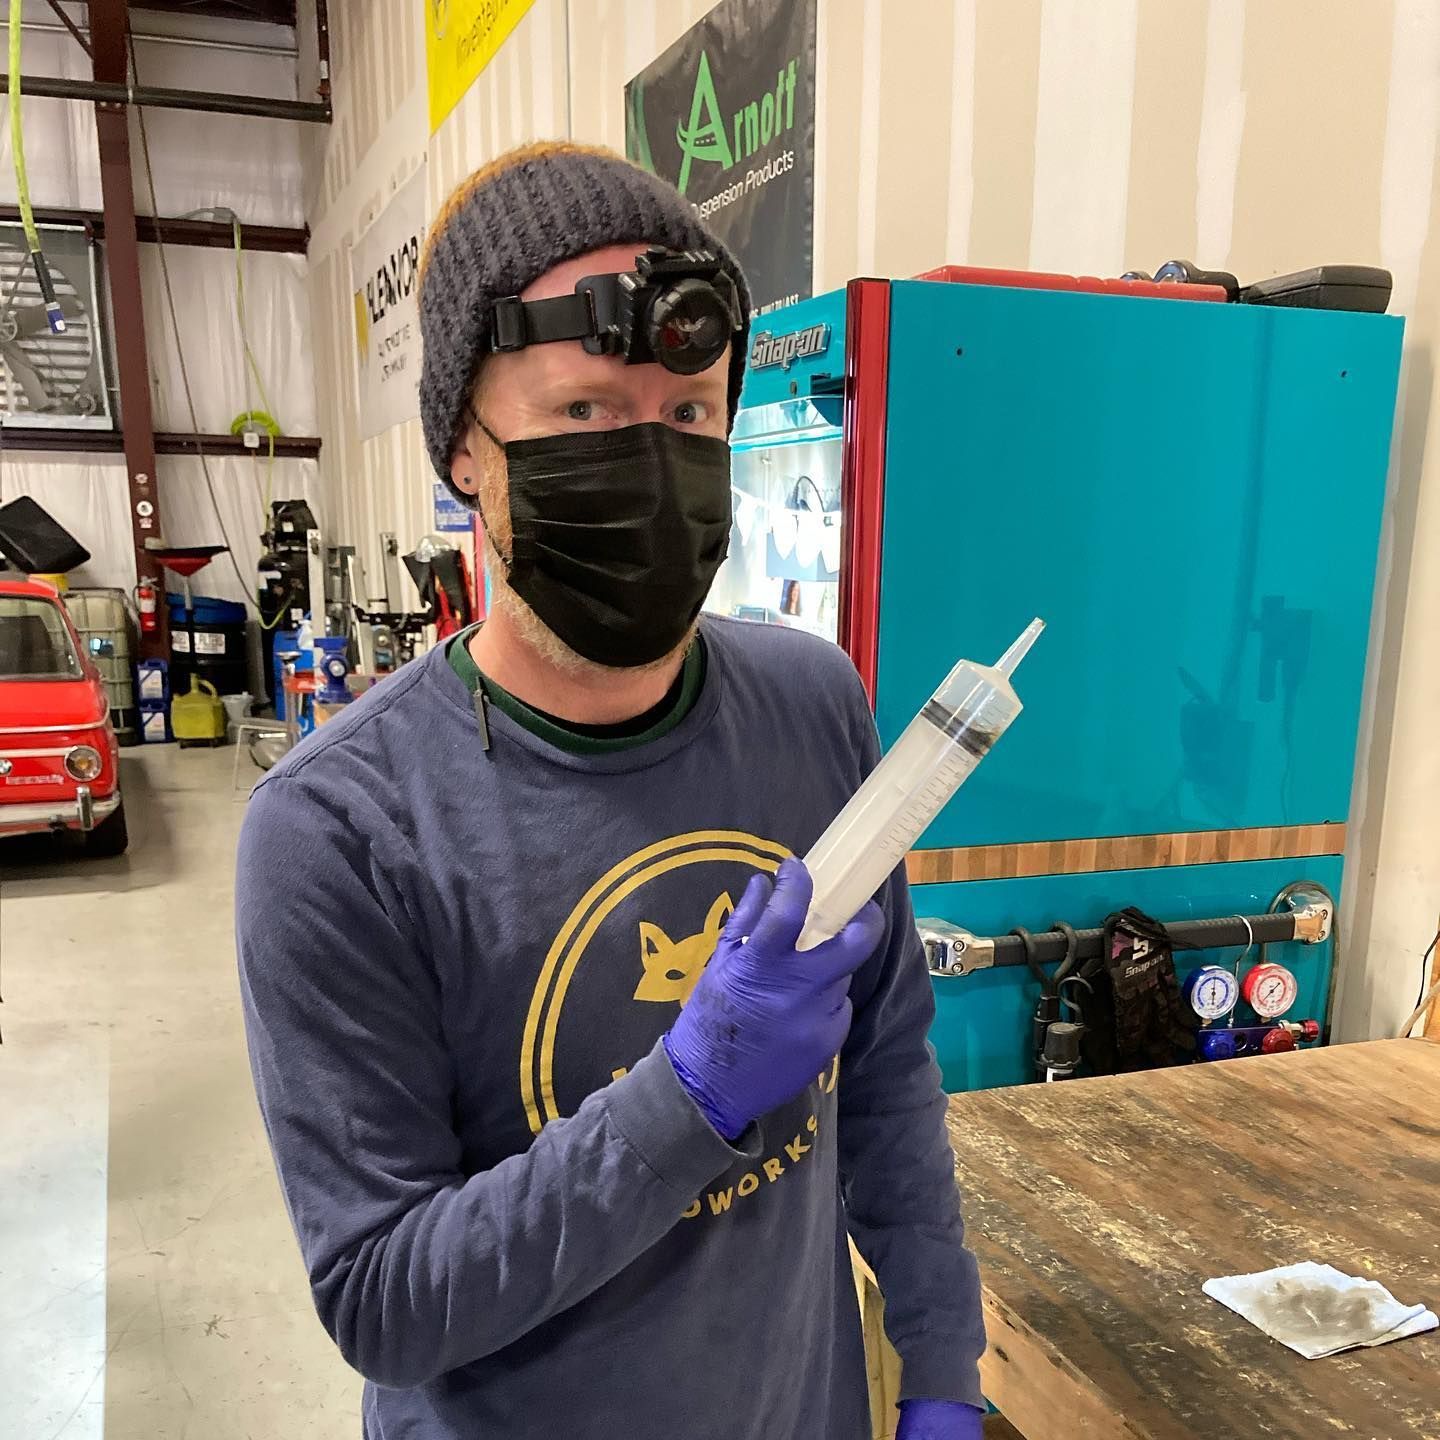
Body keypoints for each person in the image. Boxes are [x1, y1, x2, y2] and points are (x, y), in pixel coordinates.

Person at [236, 141, 986, 1440]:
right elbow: (384, 1302)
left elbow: (885, 1072)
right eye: (585, 411)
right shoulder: (335, 835)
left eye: (689, 413)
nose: (646, 460)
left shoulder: (814, 708)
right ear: (463, 452)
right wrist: (685, 1101)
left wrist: (938, 1358)